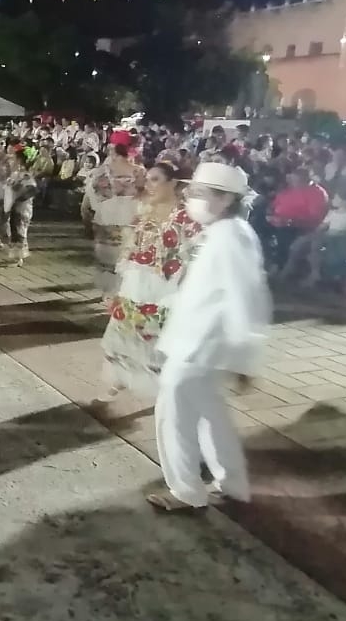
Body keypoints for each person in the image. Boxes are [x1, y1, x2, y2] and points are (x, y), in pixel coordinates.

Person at [147, 162, 269, 512]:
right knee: (209, 415)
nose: (190, 197)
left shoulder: (232, 236)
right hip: (199, 343)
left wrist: (245, 358)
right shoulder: (223, 232)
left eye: (200, 193)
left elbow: (246, 298)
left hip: (201, 346)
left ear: (225, 198)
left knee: (174, 415)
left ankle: (186, 491)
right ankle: (231, 483)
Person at [98, 162, 200, 402]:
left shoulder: (186, 216)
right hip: (136, 280)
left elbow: (195, 251)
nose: (149, 185)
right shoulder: (144, 210)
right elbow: (130, 245)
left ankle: (162, 387)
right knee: (126, 329)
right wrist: (118, 281)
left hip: (165, 284)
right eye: (148, 179)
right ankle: (119, 378)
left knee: (156, 334)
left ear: (172, 183)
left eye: (155, 180)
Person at [81, 141, 146, 296]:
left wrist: (99, 207)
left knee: (108, 254)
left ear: (115, 153)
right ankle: (123, 290)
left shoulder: (103, 172)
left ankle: (108, 292)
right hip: (132, 214)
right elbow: (146, 193)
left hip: (108, 215)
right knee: (128, 253)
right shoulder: (139, 171)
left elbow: (92, 193)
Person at [3, 145, 39, 266]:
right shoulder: (16, 174)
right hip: (14, 206)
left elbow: (32, 190)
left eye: (13, 158)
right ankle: (16, 256)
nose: (11, 160)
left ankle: (19, 258)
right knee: (14, 230)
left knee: (20, 231)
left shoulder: (25, 175)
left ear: (19, 160)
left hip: (22, 208)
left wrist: (18, 199)